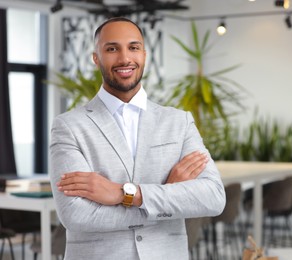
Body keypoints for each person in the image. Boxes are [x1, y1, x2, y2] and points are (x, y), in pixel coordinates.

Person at [50, 17, 226, 259]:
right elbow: (77, 215)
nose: (124, 58)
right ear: (96, 58)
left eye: (133, 47)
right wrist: (167, 195)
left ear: (144, 54)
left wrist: (126, 194)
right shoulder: (69, 126)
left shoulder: (179, 122)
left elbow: (213, 197)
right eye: (112, 49)